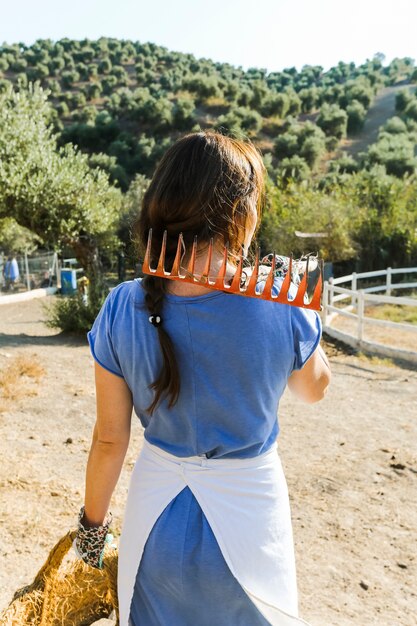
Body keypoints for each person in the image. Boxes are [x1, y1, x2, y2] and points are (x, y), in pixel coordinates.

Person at [75, 130, 331, 626]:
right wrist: (310, 314)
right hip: (249, 527)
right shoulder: (282, 300)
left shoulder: (120, 306)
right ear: (240, 214)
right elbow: (313, 390)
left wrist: (90, 531)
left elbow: (110, 439)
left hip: (155, 525)